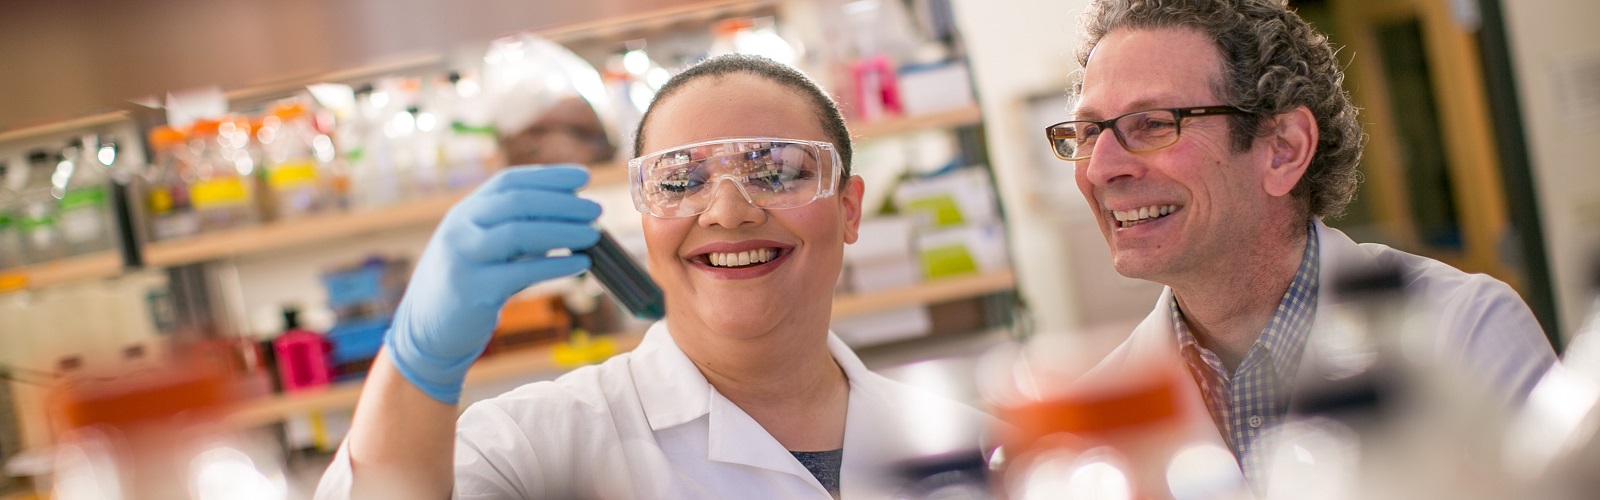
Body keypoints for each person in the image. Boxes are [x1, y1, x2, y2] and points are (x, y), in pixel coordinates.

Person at [314, 54, 989, 499]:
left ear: (848, 208)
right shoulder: (534, 446)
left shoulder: (978, 449)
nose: (727, 211)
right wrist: (415, 362)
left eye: (777, 171)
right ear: (644, 221)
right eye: (680, 181)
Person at [1047, 0, 1558, 486]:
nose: (1101, 168)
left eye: (1154, 124)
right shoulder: (1095, 420)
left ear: (1283, 150)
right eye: (1089, 132)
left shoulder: (1470, 335)